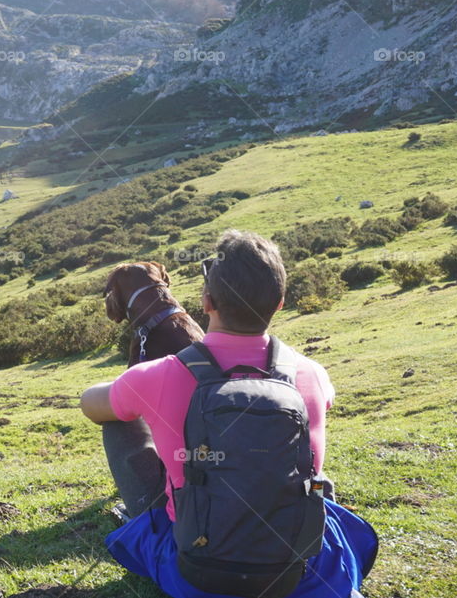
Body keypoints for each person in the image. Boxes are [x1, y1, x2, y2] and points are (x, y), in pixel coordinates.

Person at [80, 230, 378, 598]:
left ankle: (144, 514)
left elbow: (89, 404)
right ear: (280, 302)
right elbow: (327, 399)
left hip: (198, 575)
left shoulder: (157, 376)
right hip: (306, 570)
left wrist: (133, 393)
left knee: (116, 422)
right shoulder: (311, 373)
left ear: (206, 301)